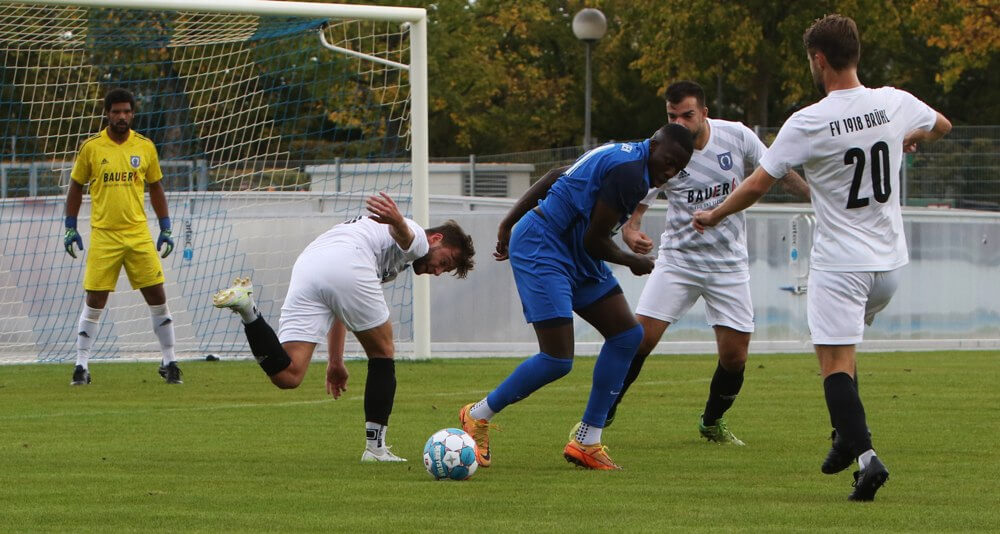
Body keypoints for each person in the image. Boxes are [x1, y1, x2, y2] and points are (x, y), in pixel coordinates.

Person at [693, 14, 951, 501]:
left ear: (819, 59)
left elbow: (756, 184)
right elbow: (942, 125)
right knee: (843, 354)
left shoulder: (810, 120)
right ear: (856, 53)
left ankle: (865, 455)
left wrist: (714, 214)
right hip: (891, 265)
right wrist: (909, 137)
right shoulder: (894, 102)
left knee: (833, 362)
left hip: (842, 264)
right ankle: (843, 441)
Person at [459, 123, 694, 470]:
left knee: (628, 335)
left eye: (679, 168)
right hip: (545, 245)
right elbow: (594, 240)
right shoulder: (630, 172)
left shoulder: (624, 154)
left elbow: (557, 175)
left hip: (573, 249)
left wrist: (508, 222)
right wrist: (634, 261)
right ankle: (477, 415)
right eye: (669, 161)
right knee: (557, 359)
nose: (670, 172)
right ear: (655, 144)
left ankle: (587, 439)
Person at [608, 80, 810, 445]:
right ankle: (599, 418)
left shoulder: (737, 137)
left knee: (735, 357)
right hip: (678, 261)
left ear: (704, 112)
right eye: (672, 116)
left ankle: (712, 421)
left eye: (687, 115)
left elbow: (775, 170)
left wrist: (815, 196)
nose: (680, 123)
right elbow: (639, 204)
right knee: (639, 340)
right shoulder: (664, 148)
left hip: (728, 264)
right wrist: (631, 231)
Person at [213, 192, 475, 463]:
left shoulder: (384, 253)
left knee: (288, 375)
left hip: (309, 266)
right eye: (444, 262)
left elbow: (342, 305)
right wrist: (397, 219)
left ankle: (248, 311)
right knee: (383, 351)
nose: (437, 272)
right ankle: (376, 450)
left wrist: (335, 360)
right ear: (437, 239)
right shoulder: (418, 235)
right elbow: (408, 237)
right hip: (349, 260)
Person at [64, 88, 181, 386]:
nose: (122, 116)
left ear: (132, 114)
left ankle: (170, 361)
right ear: (107, 114)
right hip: (104, 235)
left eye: (126, 111)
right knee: (95, 299)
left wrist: (165, 226)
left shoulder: (145, 147)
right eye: (116, 111)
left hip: (138, 234)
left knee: (157, 294)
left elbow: (156, 187)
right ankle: (81, 365)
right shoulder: (91, 148)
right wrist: (70, 226)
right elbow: (76, 186)